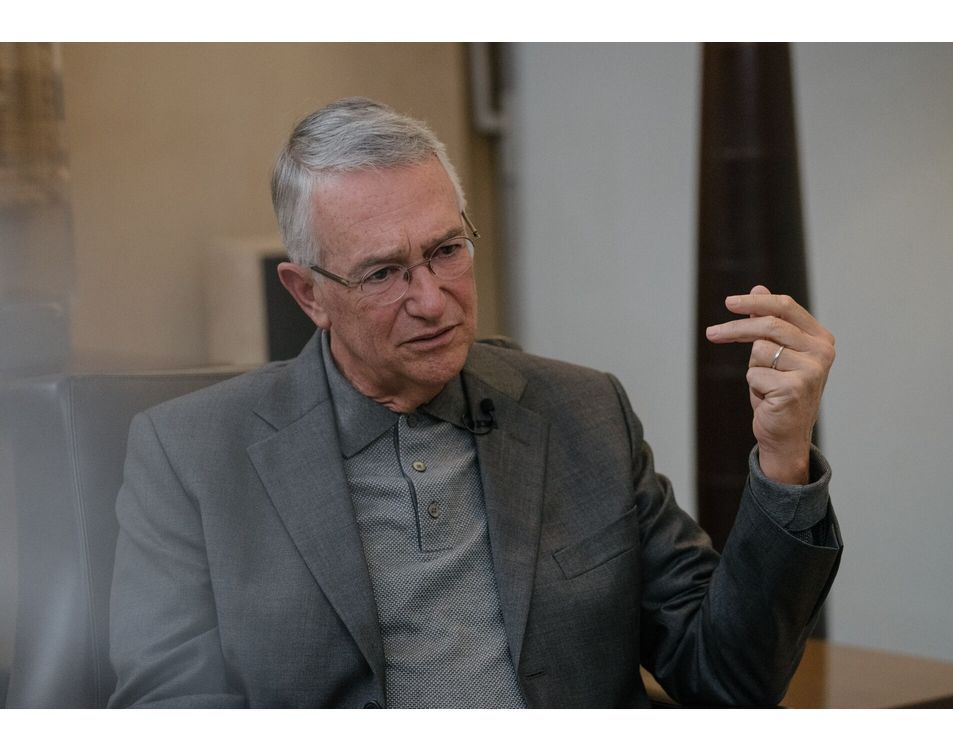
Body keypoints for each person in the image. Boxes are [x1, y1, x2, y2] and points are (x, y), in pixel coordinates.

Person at [108, 97, 841, 708]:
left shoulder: (582, 413)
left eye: (446, 251)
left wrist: (782, 459)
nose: (432, 301)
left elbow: (728, 678)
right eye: (384, 273)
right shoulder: (193, 457)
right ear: (309, 295)